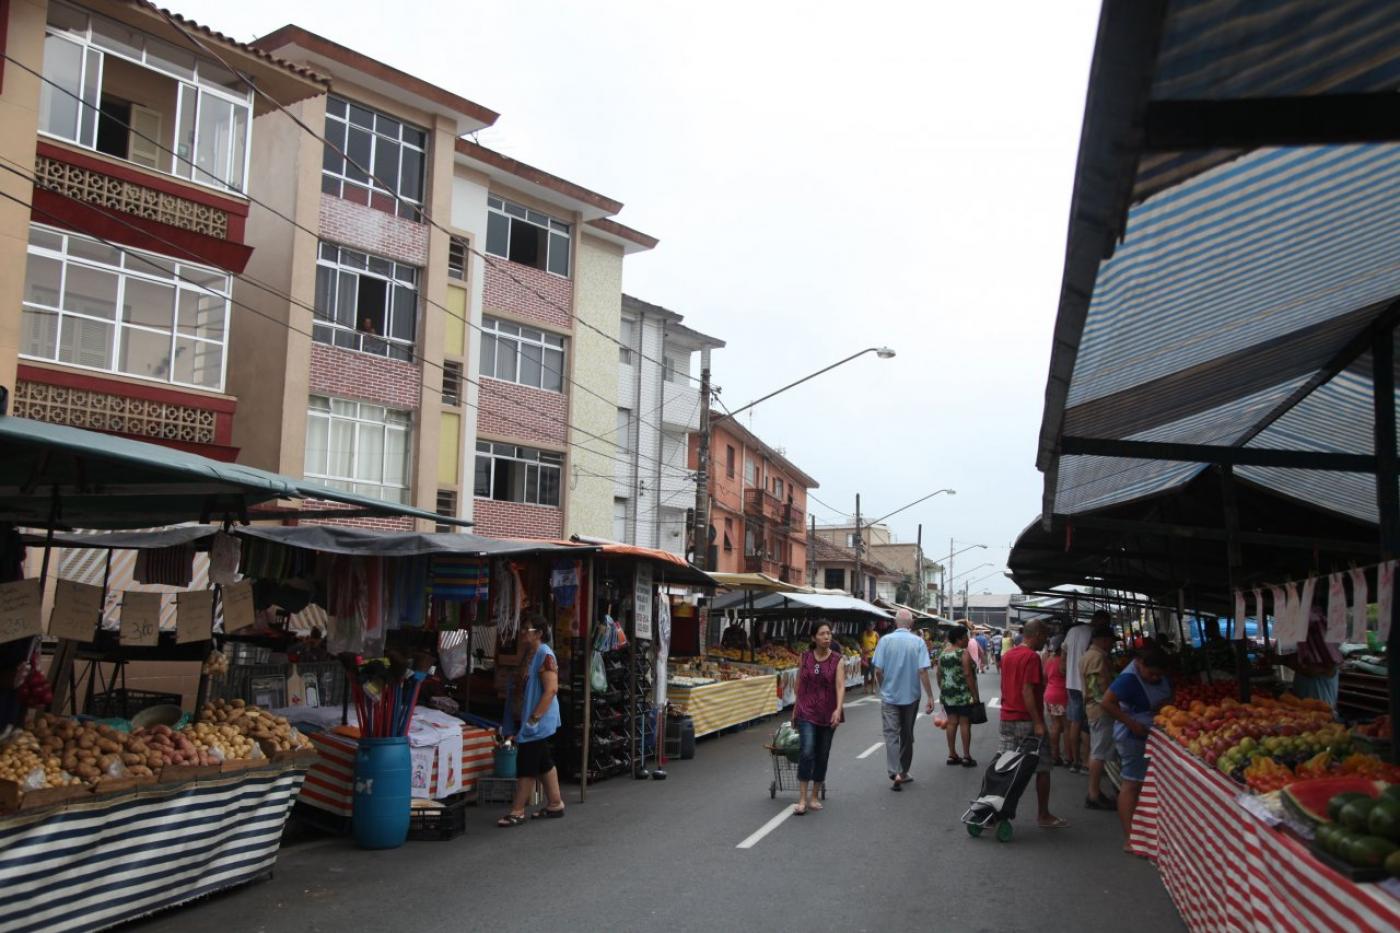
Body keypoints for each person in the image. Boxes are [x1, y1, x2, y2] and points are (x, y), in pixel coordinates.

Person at [998, 619, 1068, 829]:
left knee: (1005, 767)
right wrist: (1038, 722)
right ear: (1036, 634)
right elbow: (1027, 690)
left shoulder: (1008, 655)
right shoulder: (1031, 657)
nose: (1046, 640)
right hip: (1026, 720)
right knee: (1043, 767)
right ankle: (1043, 814)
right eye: (1045, 635)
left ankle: (996, 810)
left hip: (1006, 717)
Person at [1102, 648, 1172, 852]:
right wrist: (1131, 723)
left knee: (1143, 785)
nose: (1156, 678)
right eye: (1152, 673)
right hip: (1133, 737)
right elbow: (1107, 703)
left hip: (1153, 733)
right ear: (1139, 663)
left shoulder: (1159, 677)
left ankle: (1144, 833)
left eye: (1160, 674)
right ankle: (1130, 838)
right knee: (1131, 784)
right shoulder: (1128, 680)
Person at [498, 613, 565, 827]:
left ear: (540, 633)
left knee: (526, 765)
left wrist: (535, 718)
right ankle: (555, 803)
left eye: (528, 629)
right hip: (533, 718)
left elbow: (551, 689)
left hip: (538, 720)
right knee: (543, 761)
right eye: (524, 629)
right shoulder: (532, 653)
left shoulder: (545, 654)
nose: (524, 633)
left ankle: (517, 811)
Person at [872, 607, 934, 790]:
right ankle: (904, 771)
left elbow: (878, 671)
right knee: (906, 734)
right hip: (912, 696)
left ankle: (894, 771)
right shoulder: (918, 642)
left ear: (895, 622)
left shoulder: (884, 641)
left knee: (891, 735)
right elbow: (922, 671)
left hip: (889, 696)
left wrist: (884, 687)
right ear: (912, 624)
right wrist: (930, 696)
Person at [790, 622, 845, 814]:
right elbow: (799, 684)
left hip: (828, 712)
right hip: (806, 710)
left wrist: (838, 709)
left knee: (822, 753)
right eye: (822, 634)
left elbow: (840, 686)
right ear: (814, 638)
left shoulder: (837, 659)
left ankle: (814, 796)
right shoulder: (804, 658)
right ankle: (802, 799)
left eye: (829, 633)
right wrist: (795, 708)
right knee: (806, 750)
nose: (827, 637)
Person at [1082, 622, 1119, 810]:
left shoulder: (1089, 655)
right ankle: (1094, 794)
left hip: (1095, 708)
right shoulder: (1096, 658)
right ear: (1103, 640)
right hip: (1100, 710)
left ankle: (1094, 792)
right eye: (1111, 641)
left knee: (1098, 750)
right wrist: (1112, 705)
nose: (1112, 645)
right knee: (1099, 752)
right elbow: (1098, 688)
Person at [1276, 608, 1342, 710]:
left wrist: (1282, 660)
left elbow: (1311, 671)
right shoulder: (1304, 654)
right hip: (1302, 712)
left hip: (1323, 714)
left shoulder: (1329, 655)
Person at [1062, 612, 1102, 775]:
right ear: (1100, 621)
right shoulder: (1093, 634)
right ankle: (1085, 762)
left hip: (1071, 683)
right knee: (1085, 724)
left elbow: (1063, 656)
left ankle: (1074, 760)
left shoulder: (1073, 631)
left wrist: (1066, 669)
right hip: (1085, 684)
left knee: (1074, 722)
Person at [938, 624, 981, 766]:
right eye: (965, 637)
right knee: (964, 723)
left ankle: (951, 754)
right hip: (963, 694)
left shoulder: (943, 653)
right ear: (959, 639)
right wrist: (975, 695)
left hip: (948, 694)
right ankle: (966, 756)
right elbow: (968, 674)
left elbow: (939, 674)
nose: (968, 639)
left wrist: (943, 688)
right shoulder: (963, 653)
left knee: (951, 723)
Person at [1043, 635, 1069, 767]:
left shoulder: (1049, 660)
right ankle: (1067, 757)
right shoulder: (1064, 661)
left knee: (1055, 725)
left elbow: (1045, 677)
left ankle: (1054, 755)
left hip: (1049, 693)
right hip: (1062, 695)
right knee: (1065, 726)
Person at [860, 621, 880, 696]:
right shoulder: (864, 634)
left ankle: (873, 688)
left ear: (874, 626)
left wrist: (871, 649)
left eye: (871, 626)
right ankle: (865, 688)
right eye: (868, 626)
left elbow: (879, 645)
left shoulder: (876, 635)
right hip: (865, 657)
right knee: (865, 673)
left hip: (872, 656)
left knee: (872, 673)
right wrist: (862, 649)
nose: (870, 627)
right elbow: (861, 643)